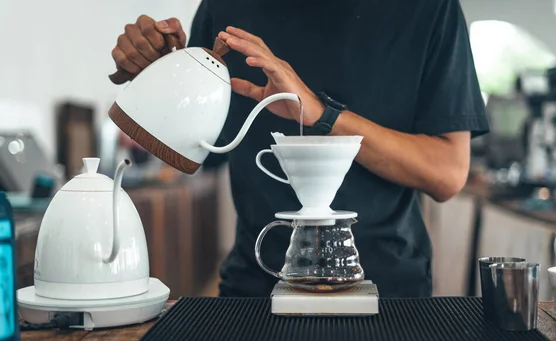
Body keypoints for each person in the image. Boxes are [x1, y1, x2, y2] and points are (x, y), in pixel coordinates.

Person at [111, 0, 489, 298]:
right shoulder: (224, 8)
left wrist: (320, 114)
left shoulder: (429, 9)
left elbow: (447, 174)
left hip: (389, 291)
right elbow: (189, 153)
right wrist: (162, 71)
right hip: (255, 291)